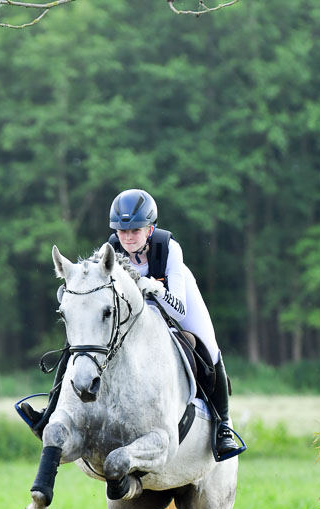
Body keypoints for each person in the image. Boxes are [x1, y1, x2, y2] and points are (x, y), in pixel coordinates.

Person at [21, 188, 241, 460]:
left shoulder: (168, 248)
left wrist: (155, 289)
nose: (127, 237)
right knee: (79, 346)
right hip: (134, 313)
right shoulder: (109, 250)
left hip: (173, 301)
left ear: (150, 228)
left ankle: (223, 427)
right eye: (121, 231)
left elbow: (180, 309)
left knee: (207, 345)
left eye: (135, 230)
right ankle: (50, 411)